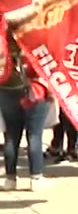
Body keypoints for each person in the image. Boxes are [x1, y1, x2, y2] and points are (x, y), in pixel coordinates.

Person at [0, 30, 51, 191]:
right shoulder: (32, 41)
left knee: (11, 136)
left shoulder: (3, 43)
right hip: (33, 90)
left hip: (6, 89)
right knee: (34, 135)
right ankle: (36, 178)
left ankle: (10, 179)